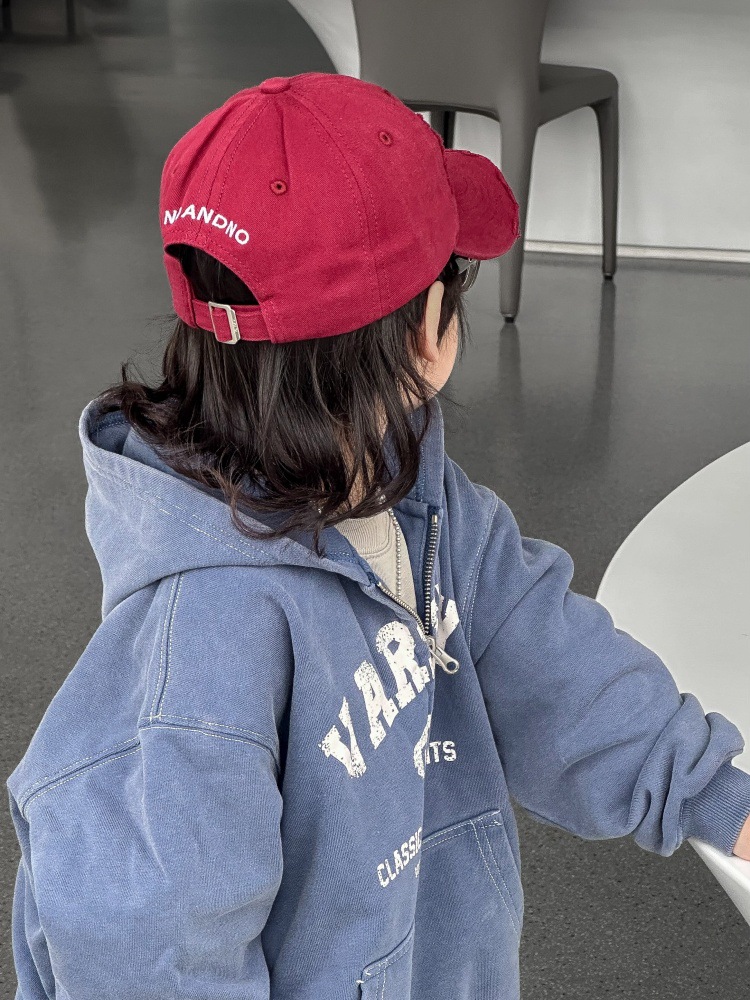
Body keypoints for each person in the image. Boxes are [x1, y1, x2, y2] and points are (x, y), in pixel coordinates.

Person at [6, 71, 750, 1000]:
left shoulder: (418, 497)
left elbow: (546, 653)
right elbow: (145, 951)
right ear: (424, 338)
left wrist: (720, 799)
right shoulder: (191, 655)